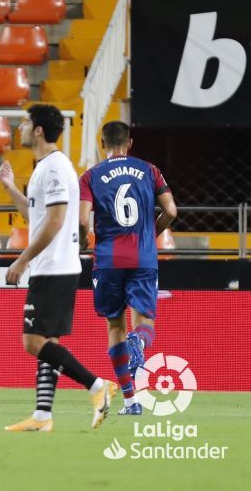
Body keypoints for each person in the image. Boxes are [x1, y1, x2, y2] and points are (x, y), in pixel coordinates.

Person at [0, 104, 117, 431]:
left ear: (38, 130)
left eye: (25, 123)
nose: (20, 128)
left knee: (33, 341)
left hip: (54, 266)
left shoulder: (53, 168)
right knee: (48, 343)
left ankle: (97, 386)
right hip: (54, 265)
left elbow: (55, 221)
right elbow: (35, 216)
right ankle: (42, 416)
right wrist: (9, 187)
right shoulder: (46, 167)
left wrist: (22, 259)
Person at [78, 121, 177, 415]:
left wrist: (82, 241)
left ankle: (131, 400)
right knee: (144, 321)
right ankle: (139, 343)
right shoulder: (150, 170)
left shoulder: (90, 176)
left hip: (108, 260)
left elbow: (83, 220)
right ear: (129, 143)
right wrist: (151, 233)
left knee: (115, 327)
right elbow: (171, 210)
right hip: (143, 258)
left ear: (102, 143)